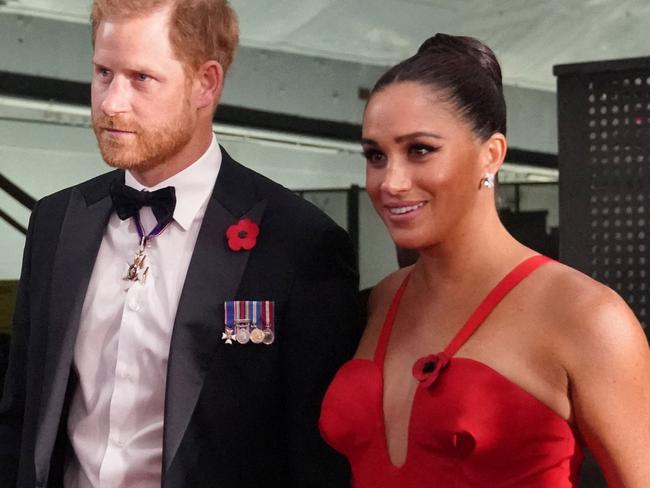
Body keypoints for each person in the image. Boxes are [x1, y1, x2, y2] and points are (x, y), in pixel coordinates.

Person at [0, 1, 359, 487]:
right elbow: (20, 413)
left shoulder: (298, 245)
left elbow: (312, 457)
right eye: (103, 72)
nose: (111, 102)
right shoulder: (57, 221)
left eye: (141, 78)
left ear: (206, 83)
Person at [319, 33, 650, 487]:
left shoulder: (588, 317)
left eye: (419, 150)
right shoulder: (381, 301)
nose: (390, 181)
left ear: (490, 155)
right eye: (376, 155)